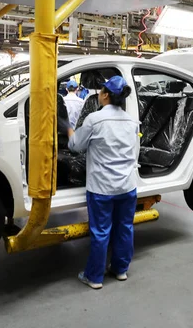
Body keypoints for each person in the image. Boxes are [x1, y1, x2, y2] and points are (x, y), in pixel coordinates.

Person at [65, 76, 139, 290]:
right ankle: (120, 270)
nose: (97, 92)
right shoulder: (131, 121)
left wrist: (70, 130)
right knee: (125, 228)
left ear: (106, 94)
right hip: (127, 186)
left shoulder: (94, 119)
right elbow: (134, 152)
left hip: (102, 188)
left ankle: (95, 277)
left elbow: (75, 146)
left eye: (100, 90)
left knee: (101, 232)